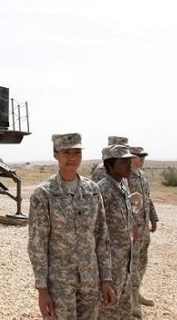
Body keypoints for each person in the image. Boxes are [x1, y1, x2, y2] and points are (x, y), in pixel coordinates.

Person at [28, 133, 115, 319]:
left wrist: (106, 279)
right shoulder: (43, 194)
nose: (72, 157)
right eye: (66, 152)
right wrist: (42, 289)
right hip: (59, 283)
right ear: (55, 154)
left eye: (76, 152)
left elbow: (101, 236)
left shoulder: (92, 191)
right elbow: (38, 244)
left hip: (90, 280)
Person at [97, 145, 136, 319]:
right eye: (124, 162)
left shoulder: (123, 184)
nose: (130, 165)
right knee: (108, 310)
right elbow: (94, 229)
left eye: (130, 161)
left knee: (125, 309)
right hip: (110, 265)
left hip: (126, 262)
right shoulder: (101, 190)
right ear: (110, 165)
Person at [128, 146, 159, 315]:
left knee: (142, 261)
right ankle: (132, 301)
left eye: (143, 156)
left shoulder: (142, 176)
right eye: (139, 156)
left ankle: (136, 291)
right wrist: (131, 225)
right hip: (133, 229)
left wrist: (153, 218)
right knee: (132, 263)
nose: (142, 159)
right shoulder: (125, 176)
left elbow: (148, 199)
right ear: (130, 158)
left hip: (144, 228)